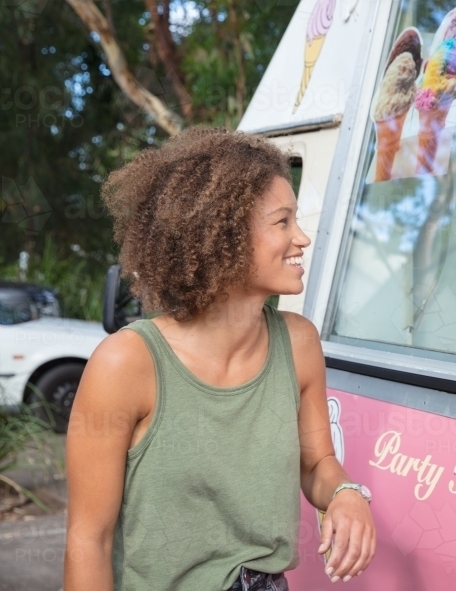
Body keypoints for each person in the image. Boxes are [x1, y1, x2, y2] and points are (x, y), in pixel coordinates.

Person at [65, 128, 376, 590]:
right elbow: (90, 539)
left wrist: (347, 494)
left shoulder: (300, 344)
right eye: (283, 222)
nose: (303, 238)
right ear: (223, 236)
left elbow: (315, 464)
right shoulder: (126, 363)